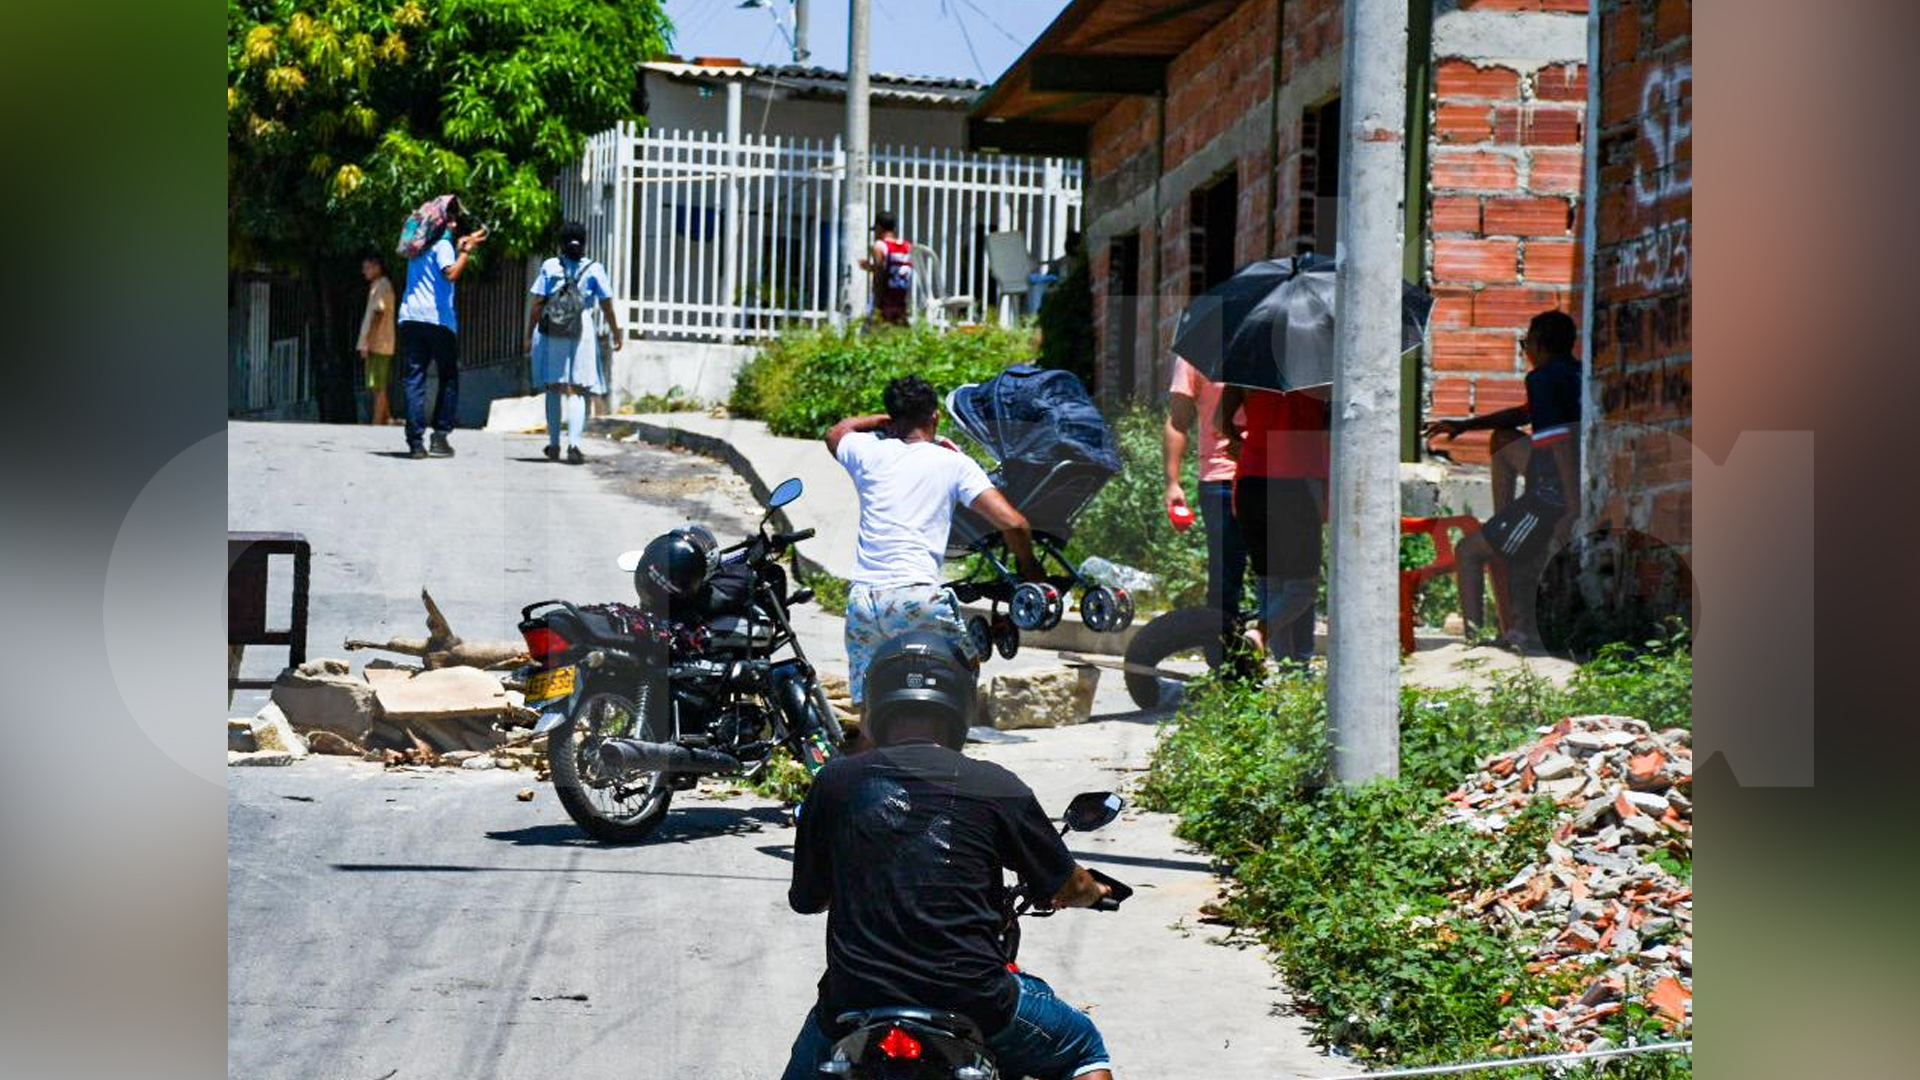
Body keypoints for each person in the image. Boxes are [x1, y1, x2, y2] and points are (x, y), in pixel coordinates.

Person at [780, 633, 1115, 1080]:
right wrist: (1094, 891)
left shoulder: (835, 782)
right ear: (960, 703)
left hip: (854, 1001)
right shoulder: (996, 785)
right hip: (977, 1001)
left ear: (877, 701)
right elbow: (1068, 884)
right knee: (1082, 1050)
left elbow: (807, 899)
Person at [826, 376, 1042, 711]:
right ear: (935, 417)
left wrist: (882, 421)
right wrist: (1029, 568)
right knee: (962, 672)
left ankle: (871, 758)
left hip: (863, 600)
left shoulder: (868, 452)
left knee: (872, 706)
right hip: (915, 595)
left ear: (893, 419)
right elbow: (1013, 523)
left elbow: (838, 432)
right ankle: (945, 753)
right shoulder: (953, 463)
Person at [1423, 309, 1583, 649]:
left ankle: (1475, 641)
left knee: (1467, 551)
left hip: (1552, 493)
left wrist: (1571, 507)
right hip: (1562, 476)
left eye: (1526, 343)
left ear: (1538, 345)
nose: (1525, 351)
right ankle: (1503, 520)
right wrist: (1465, 425)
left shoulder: (1541, 379)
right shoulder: (1575, 373)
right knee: (1502, 438)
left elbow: (1561, 446)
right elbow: (1522, 415)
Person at [1218, 384, 1331, 666]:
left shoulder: (1251, 376)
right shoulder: (1316, 380)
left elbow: (1220, 421)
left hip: (1250, 483)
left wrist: (1242, 441)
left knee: (1272, 587)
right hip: (1296, 483)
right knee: (1301, 589)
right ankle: (1261, 633)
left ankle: (1288, 672)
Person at [1165, 355, 1252, 651]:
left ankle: (1282, 662)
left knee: (1281, 575)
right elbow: (1178, 420)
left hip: (1271, 470)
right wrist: (1172, 483)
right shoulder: (1199, 351)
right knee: (1225, 578)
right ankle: (1223, 663)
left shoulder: (1270, 338)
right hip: (1221, 477)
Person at [525, 221, 621, 465]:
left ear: (561, 242)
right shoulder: (594, 268)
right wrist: (615, 331)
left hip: (553, 329)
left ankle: (554, 443)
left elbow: (537, 303)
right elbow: (607, 303)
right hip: (582, 329)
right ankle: (575, 445)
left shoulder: (550, 265)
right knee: (579, 388)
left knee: (554, 386)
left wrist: (529, 334)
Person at [397, 199, 486, 459]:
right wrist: (466, 254)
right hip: (438, 322)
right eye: (451, 219)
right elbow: (450, 273)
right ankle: (440, 436)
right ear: (440, 222)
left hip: (411, 318)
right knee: (448, 377)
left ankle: (415, 443)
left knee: (415, 379)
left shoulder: (418, 248)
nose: (455, 223)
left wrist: (461, 246)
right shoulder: (443, 245)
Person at [356, 253, 397, 427]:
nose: (364, 272)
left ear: (377, 267)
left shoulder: (382, 285)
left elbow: (378, 313)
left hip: (379, 343)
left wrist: (367, 341)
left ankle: (377, 423)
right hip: (377, 343)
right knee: (375, 385)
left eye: (367, 268)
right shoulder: (377, 285)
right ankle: (388, 418)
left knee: (378, 385)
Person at [859, 210, 913, 326]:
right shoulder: (907, 246)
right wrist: (870, 267)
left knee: (873, 333)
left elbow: (880, 273)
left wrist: (876, 304)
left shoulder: (880, 246)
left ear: (879, 227)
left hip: (885, 299)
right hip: (901, 298)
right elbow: (895, 268)